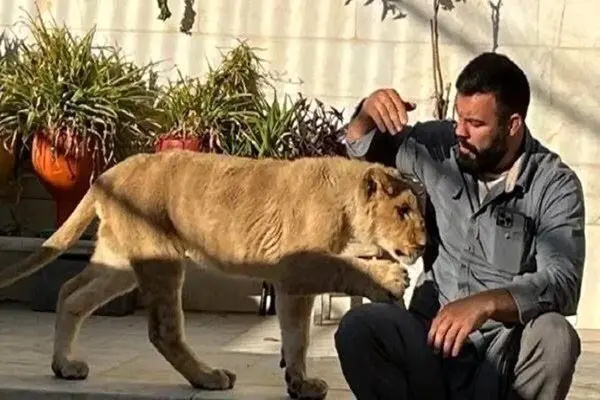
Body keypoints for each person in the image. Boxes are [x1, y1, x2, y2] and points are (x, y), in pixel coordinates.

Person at [334, 52, 585, 400]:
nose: (460, 132)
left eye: (475, 124)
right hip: (428, 340)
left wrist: (485, 304)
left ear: (513, 125)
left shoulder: (554, 185)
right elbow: (362, 150)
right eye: (458, 117)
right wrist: (366, 114)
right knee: (358, 328)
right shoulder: (437, 147)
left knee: (556, 337)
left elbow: (563, 281)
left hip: (500, 357)